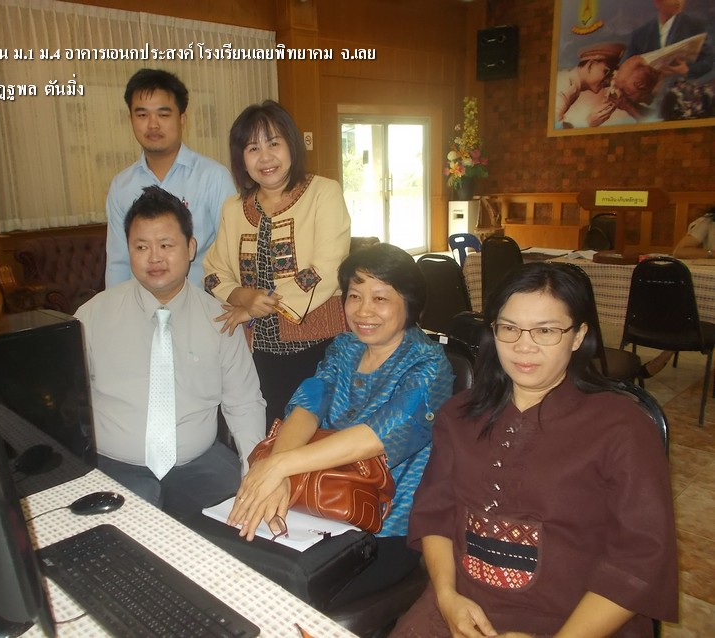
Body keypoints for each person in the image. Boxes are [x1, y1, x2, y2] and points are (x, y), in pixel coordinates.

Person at [391, 262, 678, 638]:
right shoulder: (459, 414)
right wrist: (446, 597)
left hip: (576, 621)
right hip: (461, 606)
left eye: (546, 330)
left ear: (578, 336)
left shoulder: (622, 427)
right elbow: (435, 513)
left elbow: (642, 559)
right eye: (509, 328)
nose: (523, 346)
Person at [226, 243, 454, 605]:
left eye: (380, 298)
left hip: (383, 527)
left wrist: (279, 466)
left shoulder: (430, 366)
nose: (363, 311)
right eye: (354, 296)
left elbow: (376, 437)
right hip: (314, 506)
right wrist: (277, 471)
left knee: (282, 592)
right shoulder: (345, 347)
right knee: (236, 564)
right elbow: (309, 403)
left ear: (410, 303)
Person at [76, 186, 266, 519]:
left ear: (191, 248)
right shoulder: (91, 316)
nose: (154, 258)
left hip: (198, 465)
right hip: (115, 467)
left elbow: (244, 402)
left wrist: (255, 471)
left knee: (249, 526)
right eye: (141, 247)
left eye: (166, 245)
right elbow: (69, 401)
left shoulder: (220, 319)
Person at [203, 100, 351, 427]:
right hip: (258, 351)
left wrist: (259, 308)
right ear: (241, 158)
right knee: (269, 431)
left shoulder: (324, 193)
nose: (265, 157)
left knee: (319, 434)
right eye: (253, 148)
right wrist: (244, 298)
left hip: (321, 346)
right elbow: (213, 273)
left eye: (273, 143)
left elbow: (326, 269)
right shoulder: (233, 208)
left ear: (292, 145)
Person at [105, 69, 236, 289]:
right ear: (131, 120)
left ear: (182, 119)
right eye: (142, 115)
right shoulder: (121, 186)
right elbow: (118, 263)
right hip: (142, 305)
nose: (153, 124)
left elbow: (232, 255)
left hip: (203, 301)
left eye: (163, 115)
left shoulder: (213, 177)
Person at [639, 204, 715, 378]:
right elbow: (680, 251)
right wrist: (711, 252)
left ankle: (664, 356)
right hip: (708, 287)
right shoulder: (709, 222)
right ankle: (667, 352)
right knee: (685, 304)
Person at [624, 0, 714, 80]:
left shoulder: (694, 25)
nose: (679, 1)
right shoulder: (641, 34)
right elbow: (626, 66)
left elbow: (708, 60)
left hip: (680, 87)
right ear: (658, 2)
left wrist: (687, 70)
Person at [555, 42, 625, 128]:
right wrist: (589, 123)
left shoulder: (571, 84)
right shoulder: (565, 87)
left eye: (610, 75)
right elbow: (556, 128)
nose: (607, 81)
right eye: (606, 71)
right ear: (590, 65)